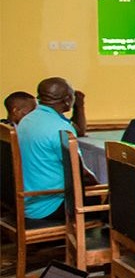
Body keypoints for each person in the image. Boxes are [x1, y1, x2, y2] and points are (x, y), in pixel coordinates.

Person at [16, 77, 99, 220]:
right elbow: (80, 172)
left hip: (26, 201)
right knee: (114, 196)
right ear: (67, 100)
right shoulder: (61, 128)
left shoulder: (27, 120)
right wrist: (100, 186)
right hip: (51, 206)